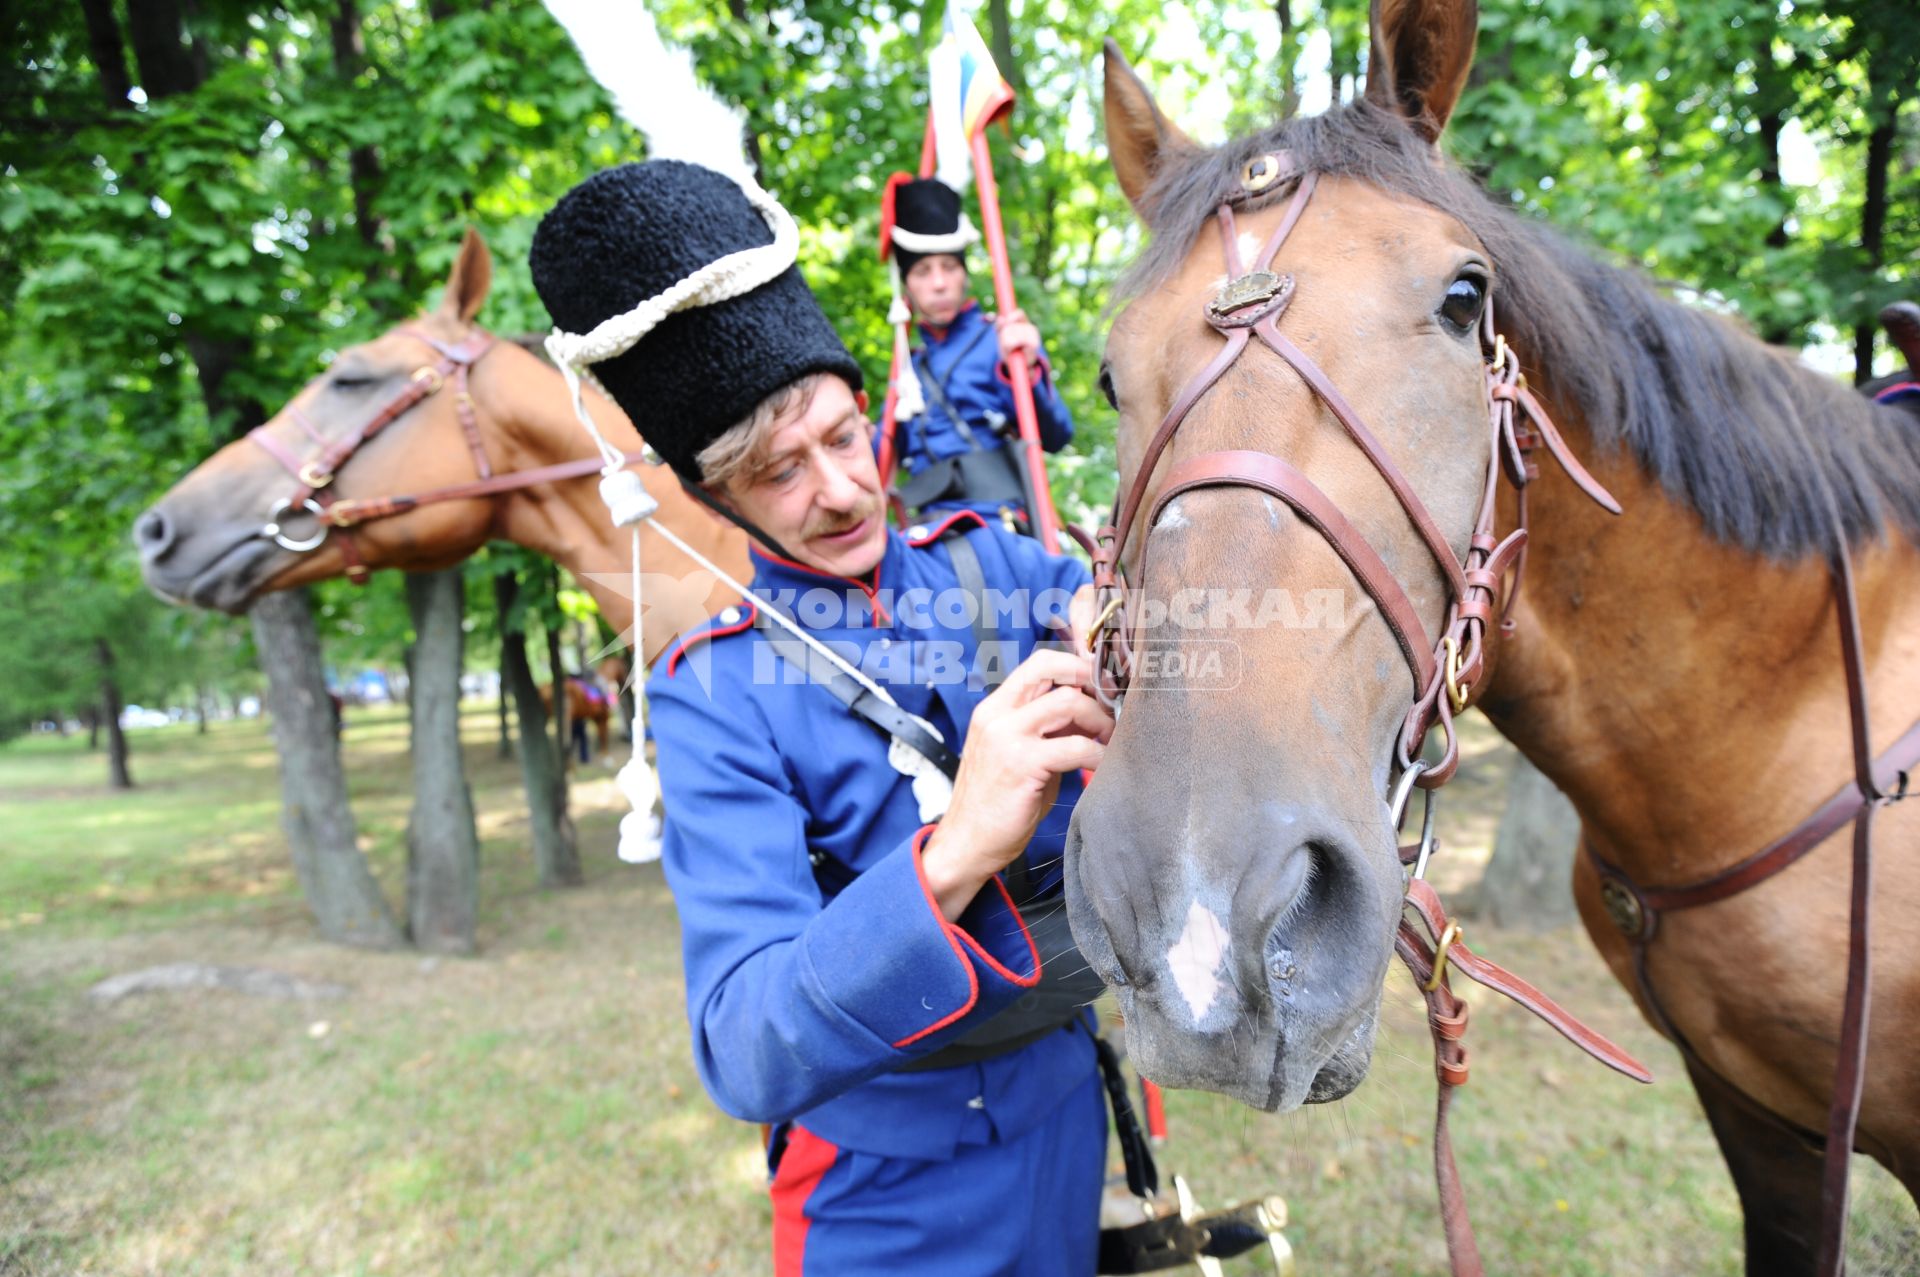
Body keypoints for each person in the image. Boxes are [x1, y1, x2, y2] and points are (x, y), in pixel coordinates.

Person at [531, 159, 1114, 1275]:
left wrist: (1125, 626)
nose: (840, 491)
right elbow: (744, 1043)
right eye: (774, 471)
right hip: (881, 1190)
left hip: (1065, 1116)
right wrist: (953, 852)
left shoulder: (990, 557)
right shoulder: (710, 691)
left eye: (843, 438)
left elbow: (1121, 621)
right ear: (715, 498)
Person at [879, 176, 1073, 534]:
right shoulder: (908, 369)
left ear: (964, 274)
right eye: (923, 271)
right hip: (923, 531)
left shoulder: (1001, 339)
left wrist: (1025, 369)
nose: (939, 282)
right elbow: (879, 465)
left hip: (997, 523)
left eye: (949, 267)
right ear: (907, 284)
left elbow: (1057, 434)